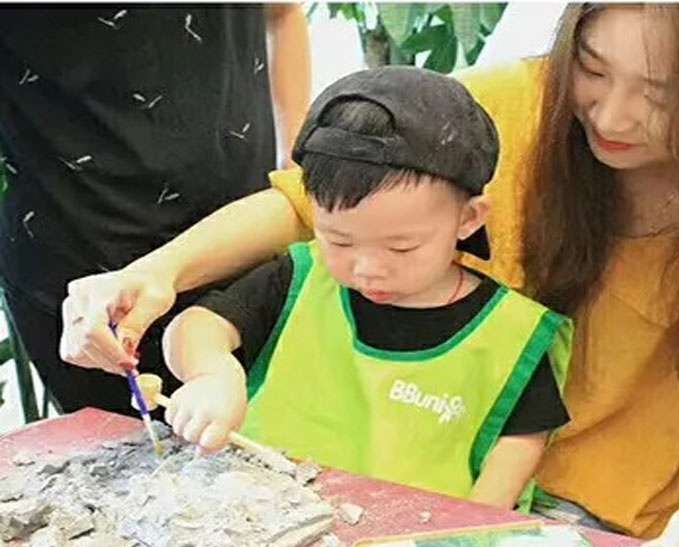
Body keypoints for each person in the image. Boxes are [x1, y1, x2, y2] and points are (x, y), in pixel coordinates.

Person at [61, 5, 679, 547]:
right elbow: (308, 203)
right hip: (412, 493)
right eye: (591, 68)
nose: (613, 116)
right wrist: (155, 273)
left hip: (612, 526)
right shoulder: (504, 112)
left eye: (664, 94)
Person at [160, 66, 572, 509]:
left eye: (401, 247)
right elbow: (197, 325)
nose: (368, 269)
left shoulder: (512, 336)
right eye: (339, 241)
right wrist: (213, 374)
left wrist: (470, 531)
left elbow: (514, 457)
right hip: (262, 518)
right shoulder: (301, 279)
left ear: (468, 218)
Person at [0, 4, 311, 414]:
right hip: (96, 285)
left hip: (253, 245)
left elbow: (282, 12)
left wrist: (297, 178)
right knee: (138, 451)